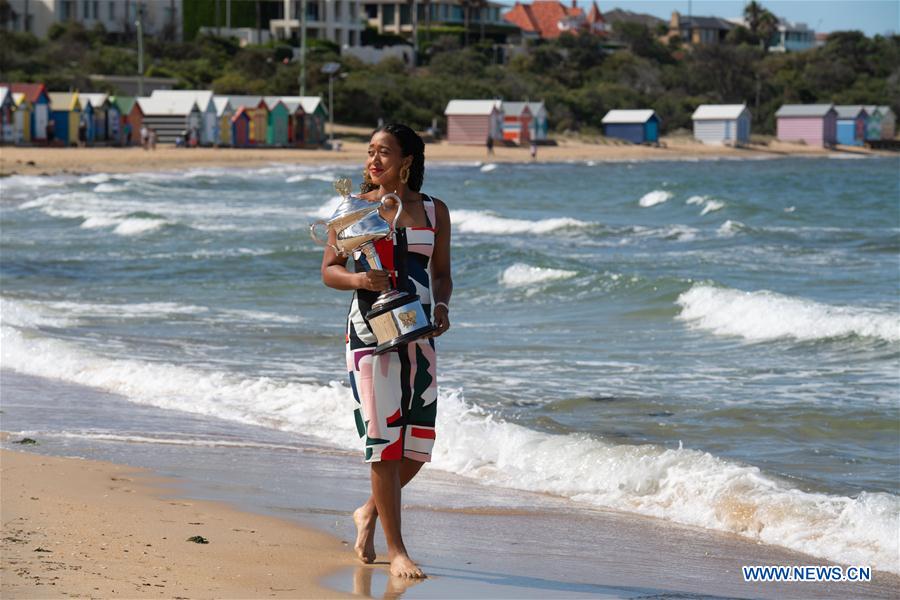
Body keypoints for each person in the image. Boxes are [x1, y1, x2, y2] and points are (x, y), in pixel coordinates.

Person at [320, 124, 452, 579]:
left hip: (418, 333)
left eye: (384, 153)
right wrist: (359, 279)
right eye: (370, 152)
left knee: (417, 444)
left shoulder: (434, 211)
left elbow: (442, 272)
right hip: (369, 334)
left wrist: (442, 305)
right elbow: (330, 272)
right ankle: (397, 550)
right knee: (384, 444)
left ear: (407, 161)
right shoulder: (353, 211)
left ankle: (369, 511)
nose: (373, 160)